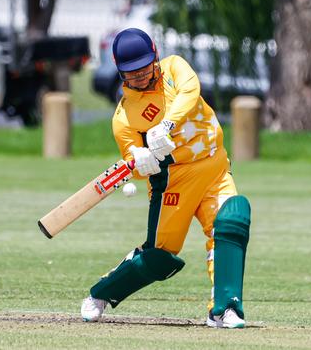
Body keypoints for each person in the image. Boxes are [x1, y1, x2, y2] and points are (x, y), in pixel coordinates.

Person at [80, 28, 251, 329]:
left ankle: (225, 308)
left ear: (156, 56)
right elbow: (132, 159)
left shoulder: (174, 68)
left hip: (214, 168)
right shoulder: (124, 117)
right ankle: (102, 294)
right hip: (174, 182)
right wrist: (140, 159)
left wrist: (167, 125)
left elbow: (191, 91)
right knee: (159, 255)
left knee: (230, 223)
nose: (141, 78)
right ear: (121, 74)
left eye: (145, 69)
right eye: (131, 75)